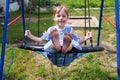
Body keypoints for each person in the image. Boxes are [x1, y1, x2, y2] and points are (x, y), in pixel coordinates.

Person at [25, 6, 92, 66]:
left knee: (71, 43)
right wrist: (30, 36)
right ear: (54, 17)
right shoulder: (51, 30)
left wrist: (86, 38)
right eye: (58, 16)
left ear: (67, 18)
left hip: (67, 53)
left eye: (63, 16)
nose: (61, 18)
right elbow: (42, 40)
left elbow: (77, 41)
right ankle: (57, 44)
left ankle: (64, 46)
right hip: (54, 52)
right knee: (52, 43)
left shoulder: (70, 29)